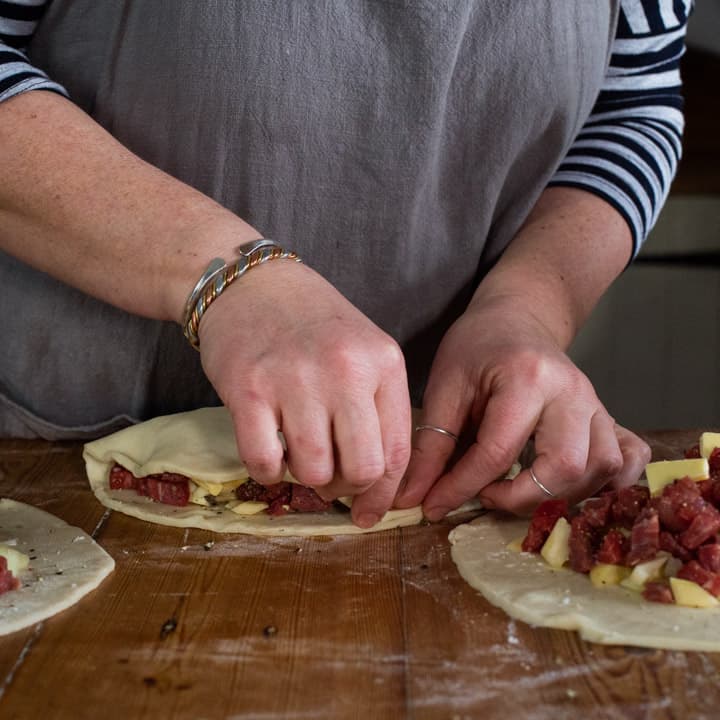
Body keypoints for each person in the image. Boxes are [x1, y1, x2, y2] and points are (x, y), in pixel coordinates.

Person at [0, 1, 689, 527]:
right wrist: (222, 274)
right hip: (53, 454)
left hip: (430, 478)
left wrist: (529, 307)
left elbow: (634, 101)